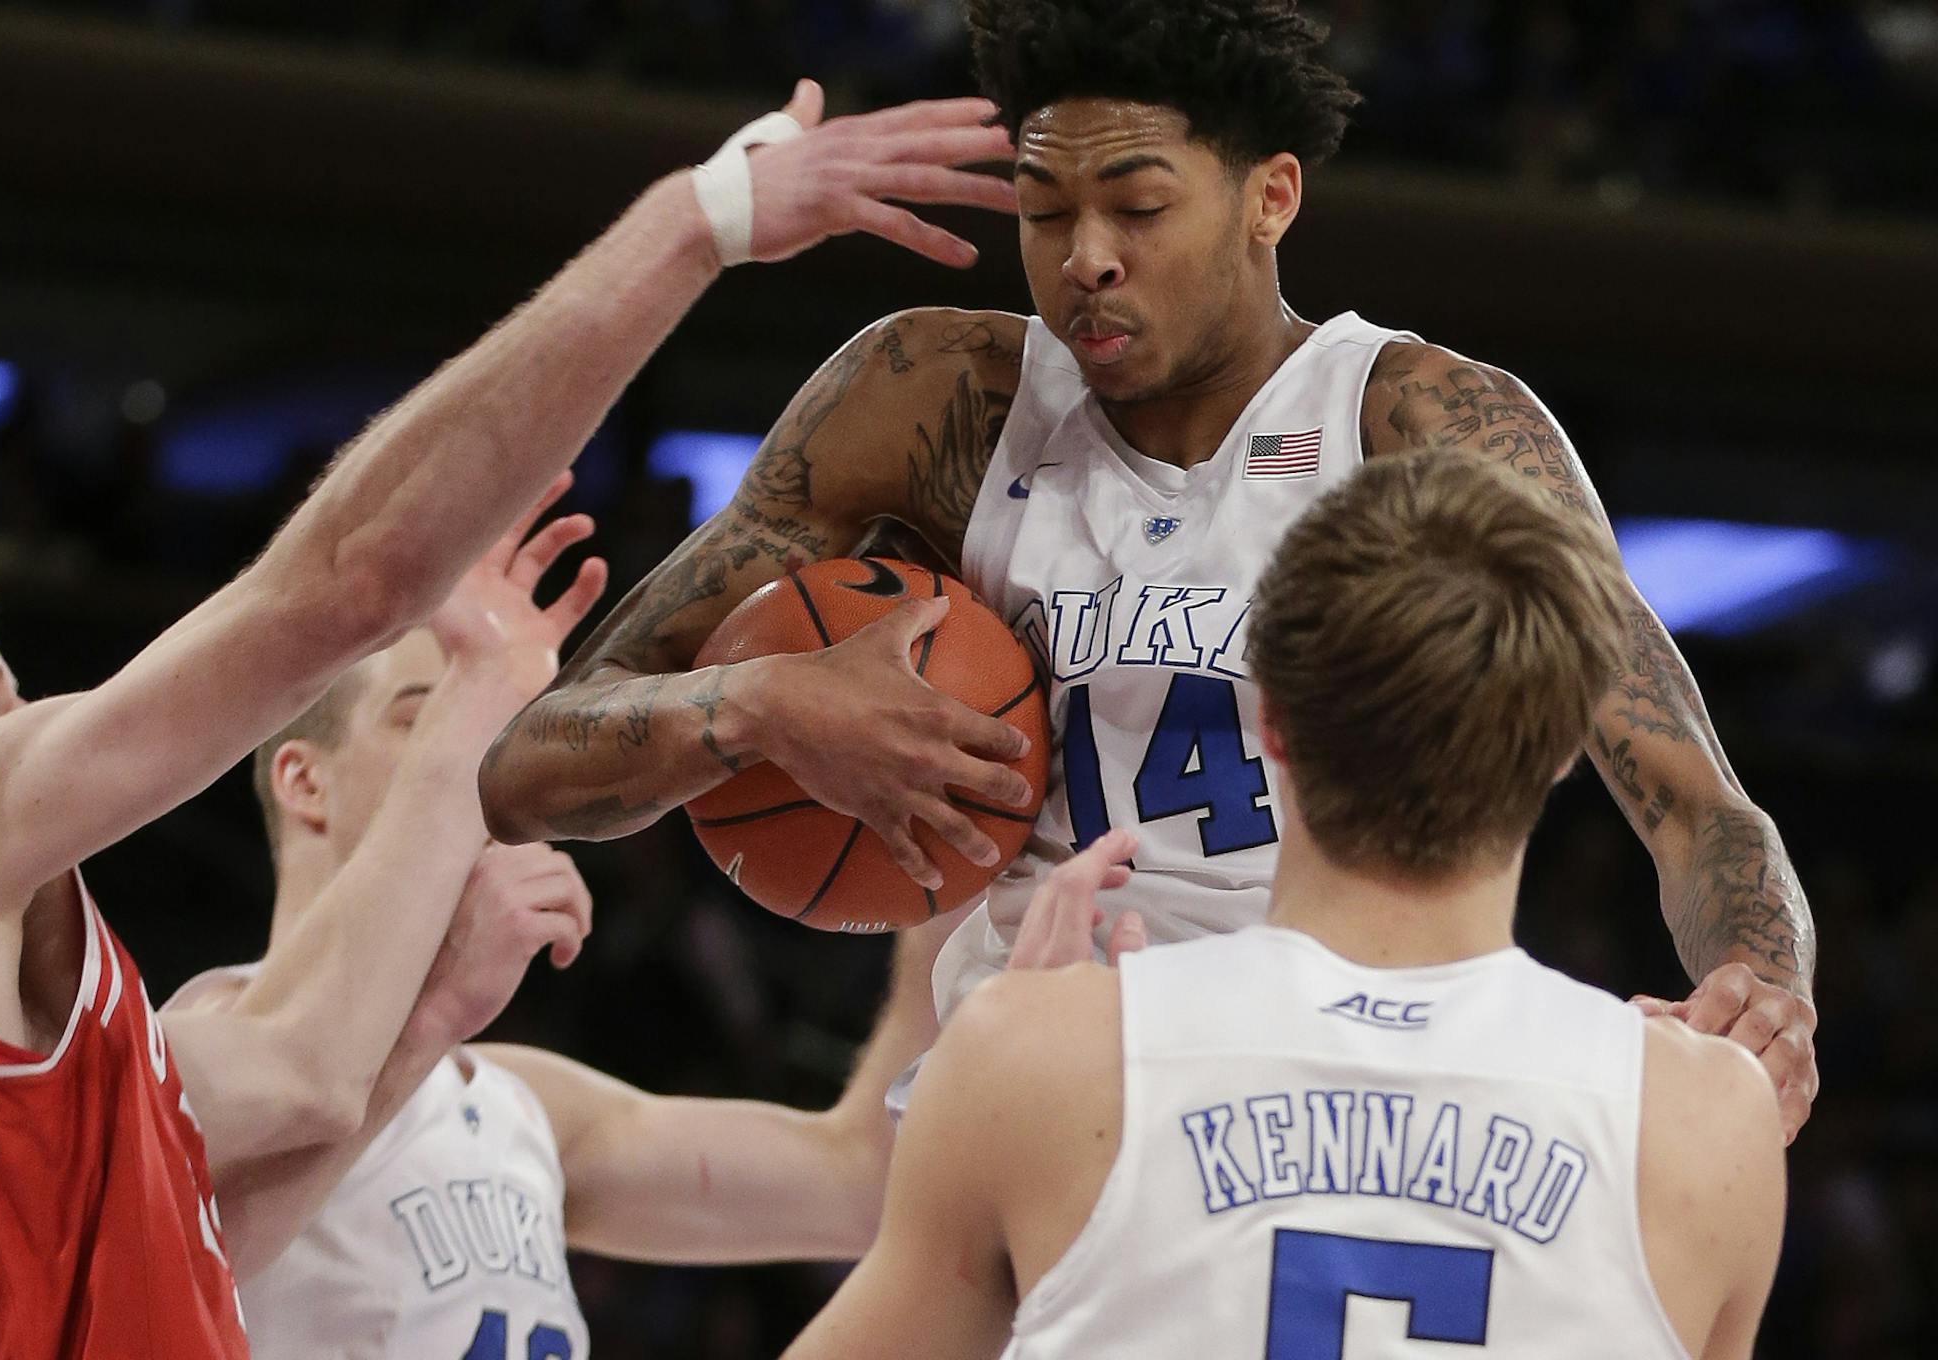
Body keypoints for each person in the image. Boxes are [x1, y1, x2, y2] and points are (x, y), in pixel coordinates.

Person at [0, 83, 1017, 1359]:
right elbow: (344, 587)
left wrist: (962, 853)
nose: (29, 718)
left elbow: (279, 1128)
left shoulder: (36, 1076)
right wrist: (694, 222)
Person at [480, 0, 1817, 1141]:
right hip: (1039, 1094)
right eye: (1044, 209)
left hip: (1331, 1097)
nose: (1084, 259)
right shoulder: (932, 399)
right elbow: (531, 766)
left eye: (1136, 205)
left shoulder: (1419, 424)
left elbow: (1695, 804)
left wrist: (1763, 981)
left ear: (1270, 198)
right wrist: (760, 708)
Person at [782, 451, 1787, 1360]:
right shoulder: (1705, 1118)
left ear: (1266, 711)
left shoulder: (1035, 1055)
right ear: (1568, 745)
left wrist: (1018, 1081)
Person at [168, 512, 964, 1358]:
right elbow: (164, 1265)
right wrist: (431, 1012)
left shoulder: (520, 1106)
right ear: (304, 780)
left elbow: (862, 1187)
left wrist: (948, 859)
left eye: (484, 721)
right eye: (424, 719)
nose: (470, 757)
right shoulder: (208, 1036)